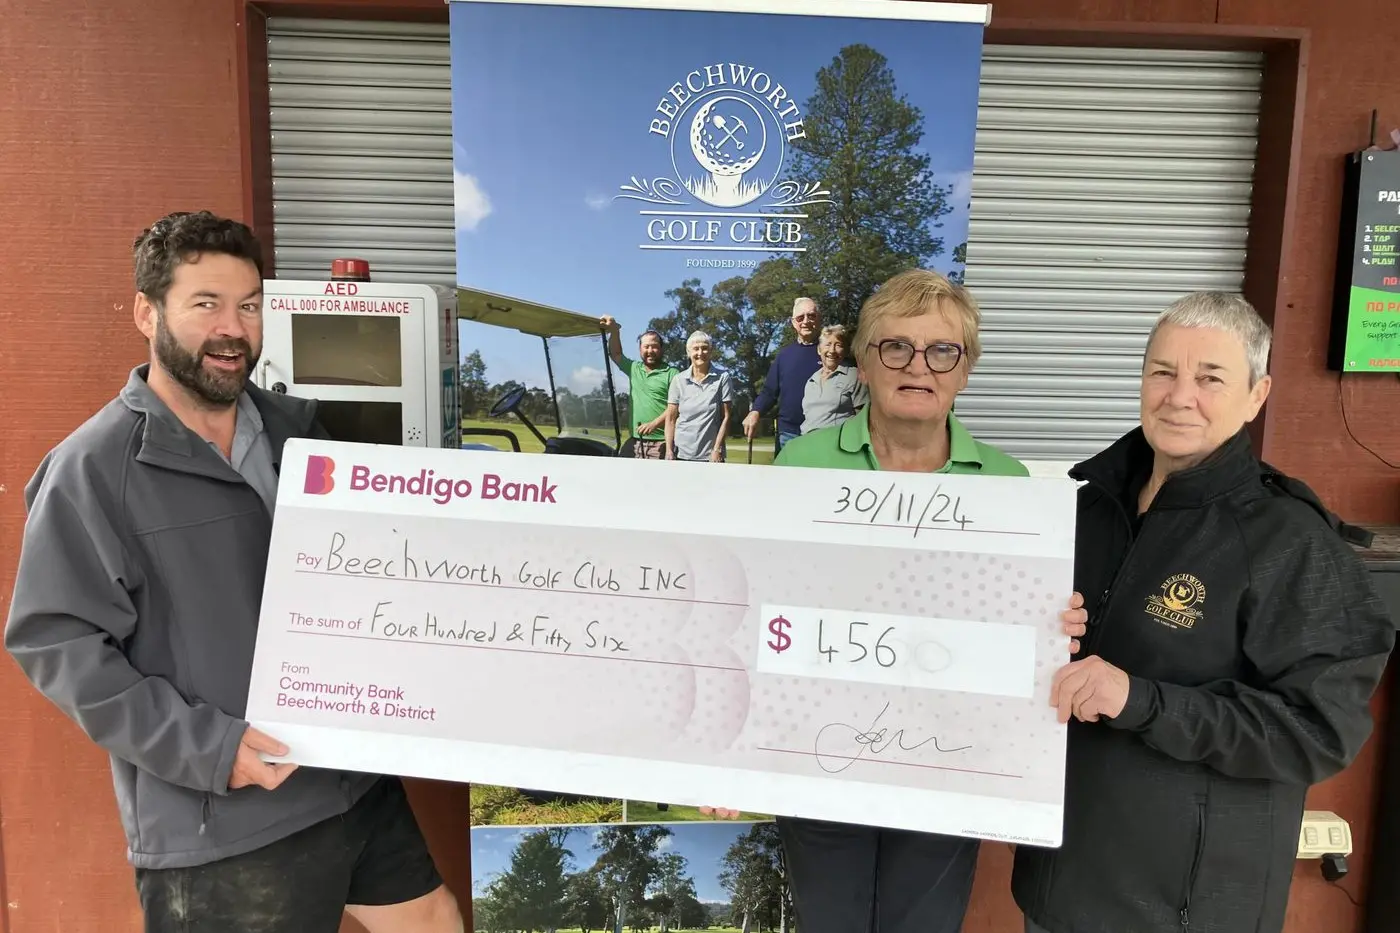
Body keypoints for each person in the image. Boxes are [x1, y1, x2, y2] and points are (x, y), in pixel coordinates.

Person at [3, 211, 463, 933]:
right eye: (206, 304)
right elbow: (53, 642)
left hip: (346, 778)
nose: (234, 328)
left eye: (249, 305)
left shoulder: (297, 431)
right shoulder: (93, 471)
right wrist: (210, 749)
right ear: (146, 312)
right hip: (222, 812)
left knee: (433, 919)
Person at [1013, 292, 1396, 933]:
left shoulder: (1290, 543)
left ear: (1257, 394)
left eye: (1210, 377)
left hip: (1182, 910)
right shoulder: (1089, 511)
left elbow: (1319, 731)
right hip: (1058, 888)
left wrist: (1142, 700)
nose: (1179, 395)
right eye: (1163, 371)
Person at [769, 268, 1085, 933]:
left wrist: (1055, 621)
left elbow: (1017, 621)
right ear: (862, 360)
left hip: (947, 761)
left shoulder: (1009, 482)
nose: (919, 365)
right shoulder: (801, 465)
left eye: (943, 350)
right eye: (896, 347)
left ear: (965, 370)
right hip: (816, 758)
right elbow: (754, 608)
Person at [743, 296, 822, 452]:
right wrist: (755, 412)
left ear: (819, 319)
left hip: (822, 433)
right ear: (793, 323)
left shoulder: (831, 353)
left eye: (811, 316)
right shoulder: (784, 356)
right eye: (800, 318)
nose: (805, 321)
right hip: (788, 434)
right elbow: (769, 392)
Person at [602, 314, 676, 459]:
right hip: (634, 442)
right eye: (646, 346)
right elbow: (615, 354)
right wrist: (615, 331)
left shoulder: (672, 374)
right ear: (640, 349)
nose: (650, 351)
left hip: (661, 443)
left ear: (661, 349)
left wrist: (654, 424)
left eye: (654, 347)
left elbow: (676, 408)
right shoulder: (634, 368)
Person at [665, 329, 733, 462]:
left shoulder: (723, 378)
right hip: (681, 454)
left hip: (711, 456)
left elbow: (726, 417)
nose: (700, 353)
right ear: (688, 352)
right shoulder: (678, 380)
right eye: (695, 349)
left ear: (711, 351)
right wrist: (669, 450)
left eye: (705, 348)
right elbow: (671, 419)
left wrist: (717, 449)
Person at [800, 323, 867, 433]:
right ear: (819, 349)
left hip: (836, 444)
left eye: (838, 345)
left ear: (845, 351)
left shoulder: (854, 376)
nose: (832, 350)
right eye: (828, 344)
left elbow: (863, 418)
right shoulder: (811, 380)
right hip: (807, 443)